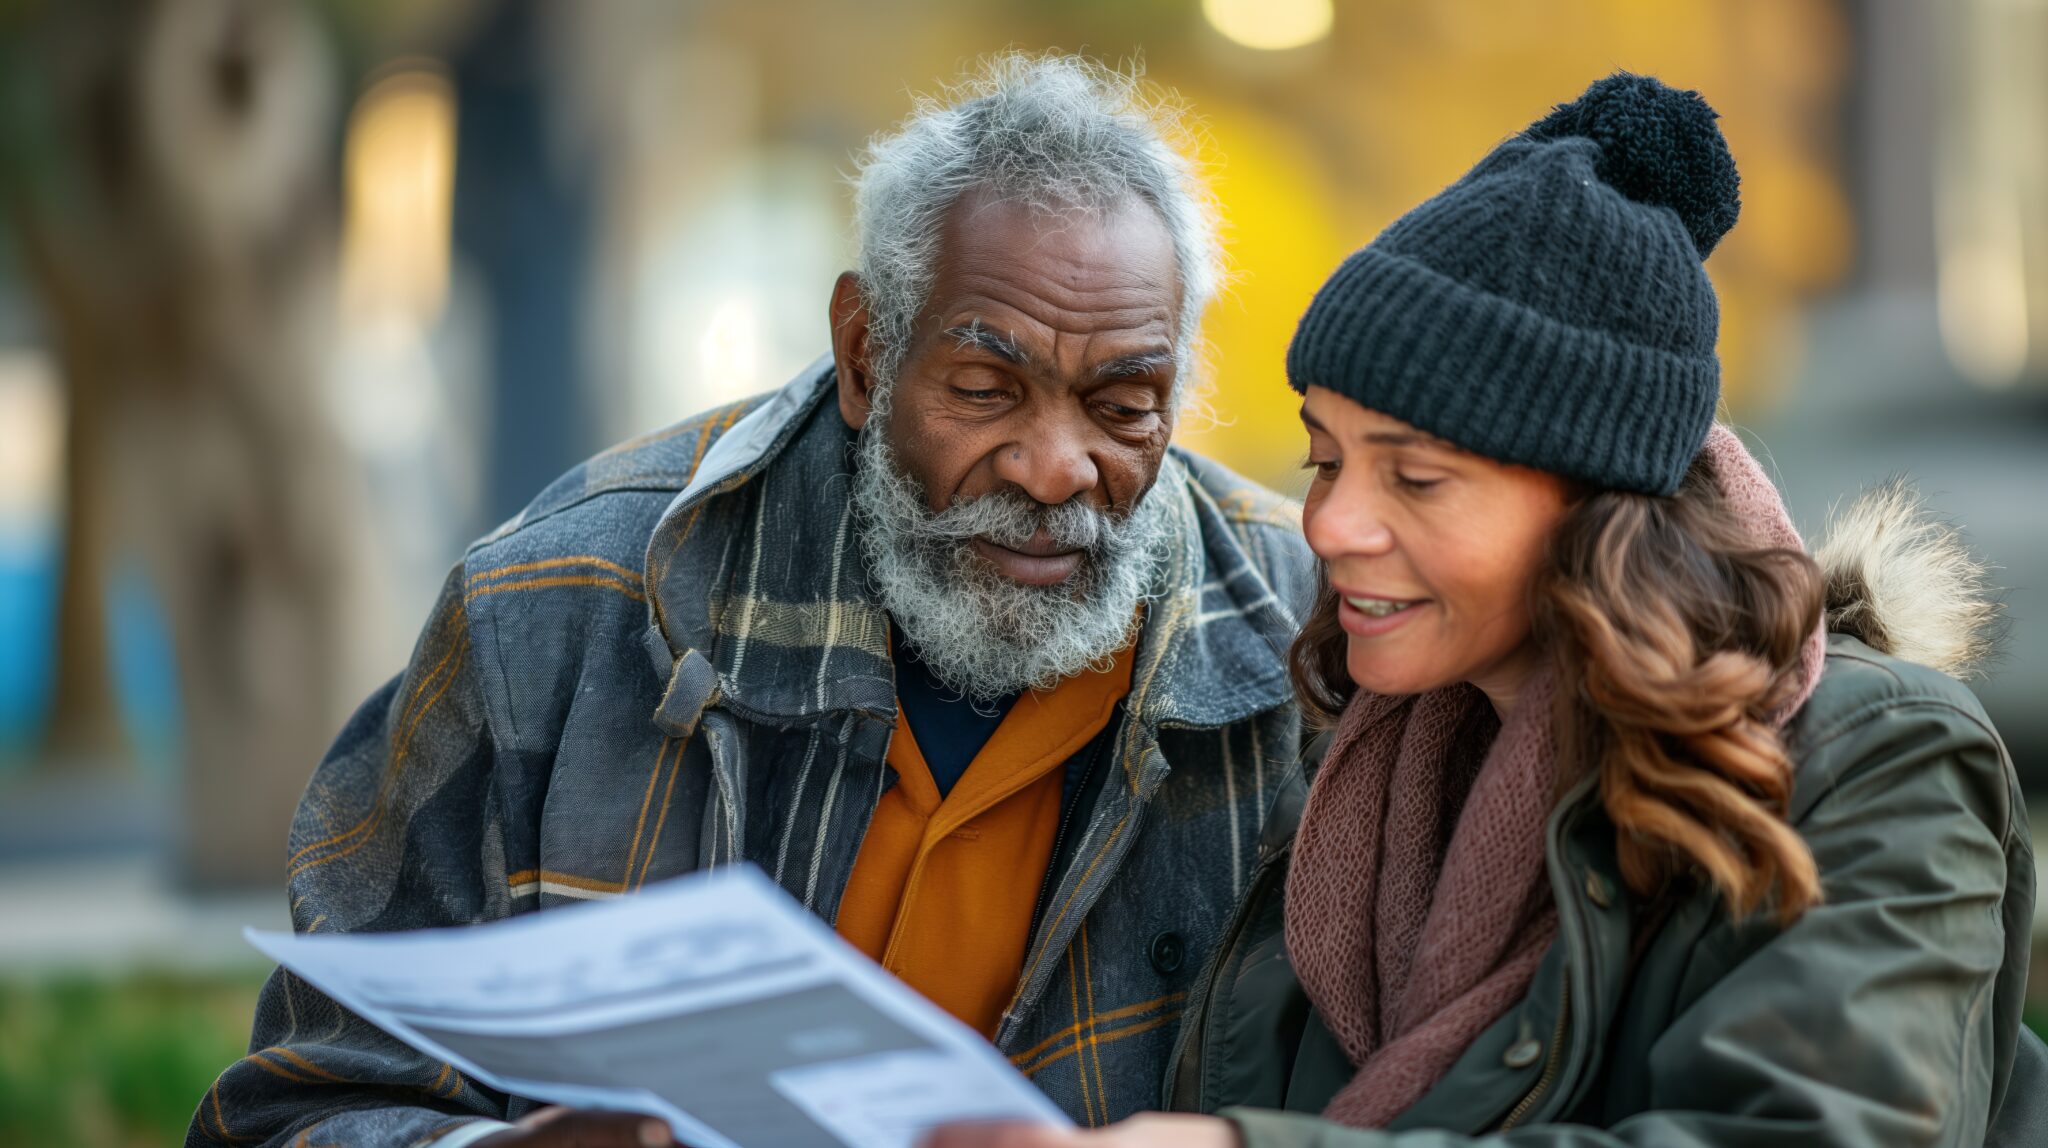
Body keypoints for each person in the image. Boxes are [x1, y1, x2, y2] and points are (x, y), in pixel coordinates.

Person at [189, 55, 1314, 1148]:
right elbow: (295, 1105)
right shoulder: (555, 610)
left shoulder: (1304, 629)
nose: (1053, 466)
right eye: (985, 390)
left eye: (1121, 407)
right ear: (865, 354)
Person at [926, 73, 2039, 1148]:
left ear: (1595, 507)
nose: (1329, 527)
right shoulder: (1359, 774)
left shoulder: (1878, 762)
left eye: (1414, 478)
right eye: (1324, 460)